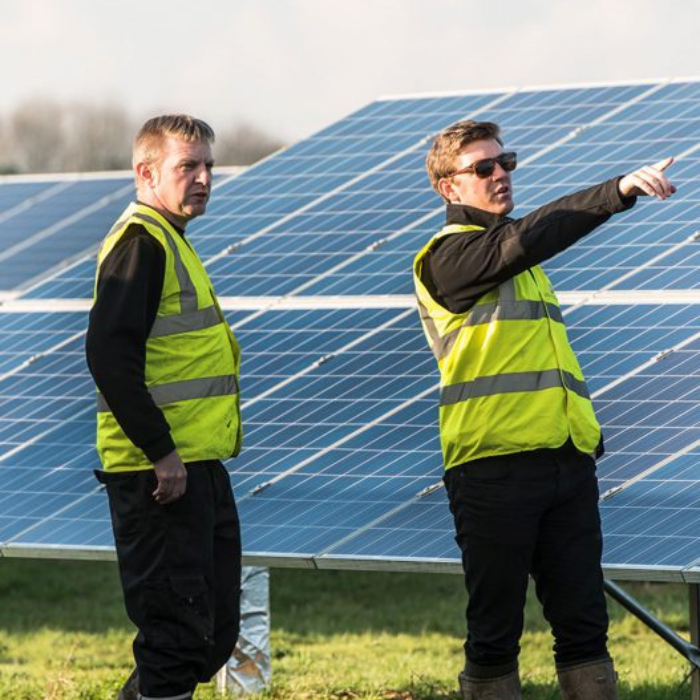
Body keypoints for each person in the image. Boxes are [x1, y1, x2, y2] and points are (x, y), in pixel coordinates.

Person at [413, 120, 676, 700]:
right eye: (483, 168)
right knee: (495, 636)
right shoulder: (448, 260)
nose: (500, 173)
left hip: (564, 462)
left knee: (585, 631)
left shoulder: (521, 265)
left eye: (505, 161)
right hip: (493, 469)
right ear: (448, 188)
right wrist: (616, 192)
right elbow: (531, 236)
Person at [86, 115, 243, 700]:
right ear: (146, 172)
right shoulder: (139, 244)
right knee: (176, 638)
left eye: (208, 166)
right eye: (188, 167)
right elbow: (107, 354)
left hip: (197, 466)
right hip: (159, 477)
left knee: (211, 635)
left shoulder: (170, 240)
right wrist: (162, 452)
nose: (203, 178)